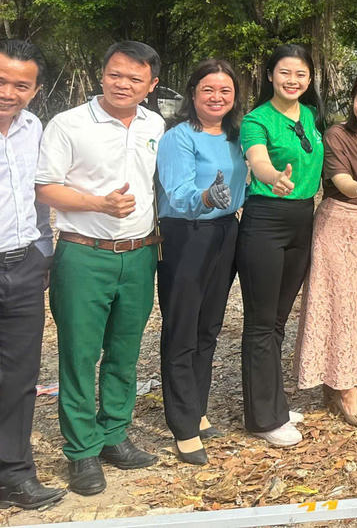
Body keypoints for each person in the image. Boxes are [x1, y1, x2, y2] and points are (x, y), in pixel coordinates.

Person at [36, 41, 165, 495]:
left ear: (150, 86)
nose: (123, 84)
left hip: (140, 254)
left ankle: (114, 434)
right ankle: (82, 452)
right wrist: (98, 204)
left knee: (125, 352)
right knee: (78, 354)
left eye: (134, 78)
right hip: (84, 253)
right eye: (115, 74)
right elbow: (46, 187)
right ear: (102, 74)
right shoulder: (68, 124)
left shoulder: (155, 124)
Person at [155, 59, 248, 465]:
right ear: (192, 94)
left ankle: (198, 407)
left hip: (226, 230)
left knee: (209, 325)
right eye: (208, 89)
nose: (216, 97)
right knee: (182, 326)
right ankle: (183, 425)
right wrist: (206, 198)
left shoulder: (236, 137)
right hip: (186, 235)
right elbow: (177, 192)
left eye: (225, 91)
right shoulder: (179, 137)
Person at [237, 43, 325, 447]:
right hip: (266, 220)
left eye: (301, 74)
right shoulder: (256, 119)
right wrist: (272, 175)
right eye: (285, 73)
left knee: (277, 321)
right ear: (270, 75)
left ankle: (273, 402)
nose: (293, 81)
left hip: (302, 220)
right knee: (259, 322)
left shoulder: (310, 115)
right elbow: (258, 160)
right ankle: (263, 418)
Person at [295, 71, 357, 427]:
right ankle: (345, 388)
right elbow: (338, 177)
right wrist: (356, 189)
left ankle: (342, 375)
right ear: (352, 101)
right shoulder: (336, 135)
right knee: (337, 304)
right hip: (338, 223)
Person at [0, 40, 65, 510]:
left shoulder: (34, 127)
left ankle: (15, 474)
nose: (9, 92)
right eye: (1, 80)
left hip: (23, 266)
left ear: (35, 90)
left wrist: (41, 250)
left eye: (21, 85)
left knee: (19, 376)